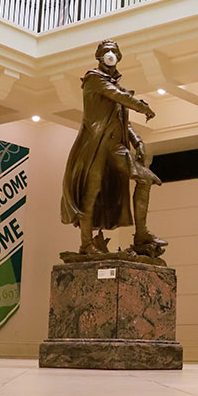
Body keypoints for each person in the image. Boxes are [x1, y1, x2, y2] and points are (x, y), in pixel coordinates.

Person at [60, 39, 167, 257]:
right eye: (106, 52)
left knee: (145, 179)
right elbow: (118, 97)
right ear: (99, 56)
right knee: (91, 193)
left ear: (118, 56)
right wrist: (141, 106)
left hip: (115, 146)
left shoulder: (115, 85)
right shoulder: (94, 79)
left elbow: (121, 120)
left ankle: (141, 235)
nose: (110, 55)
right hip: (96, 146)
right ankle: (86, 244)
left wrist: (137, 141)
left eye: (114, 52)